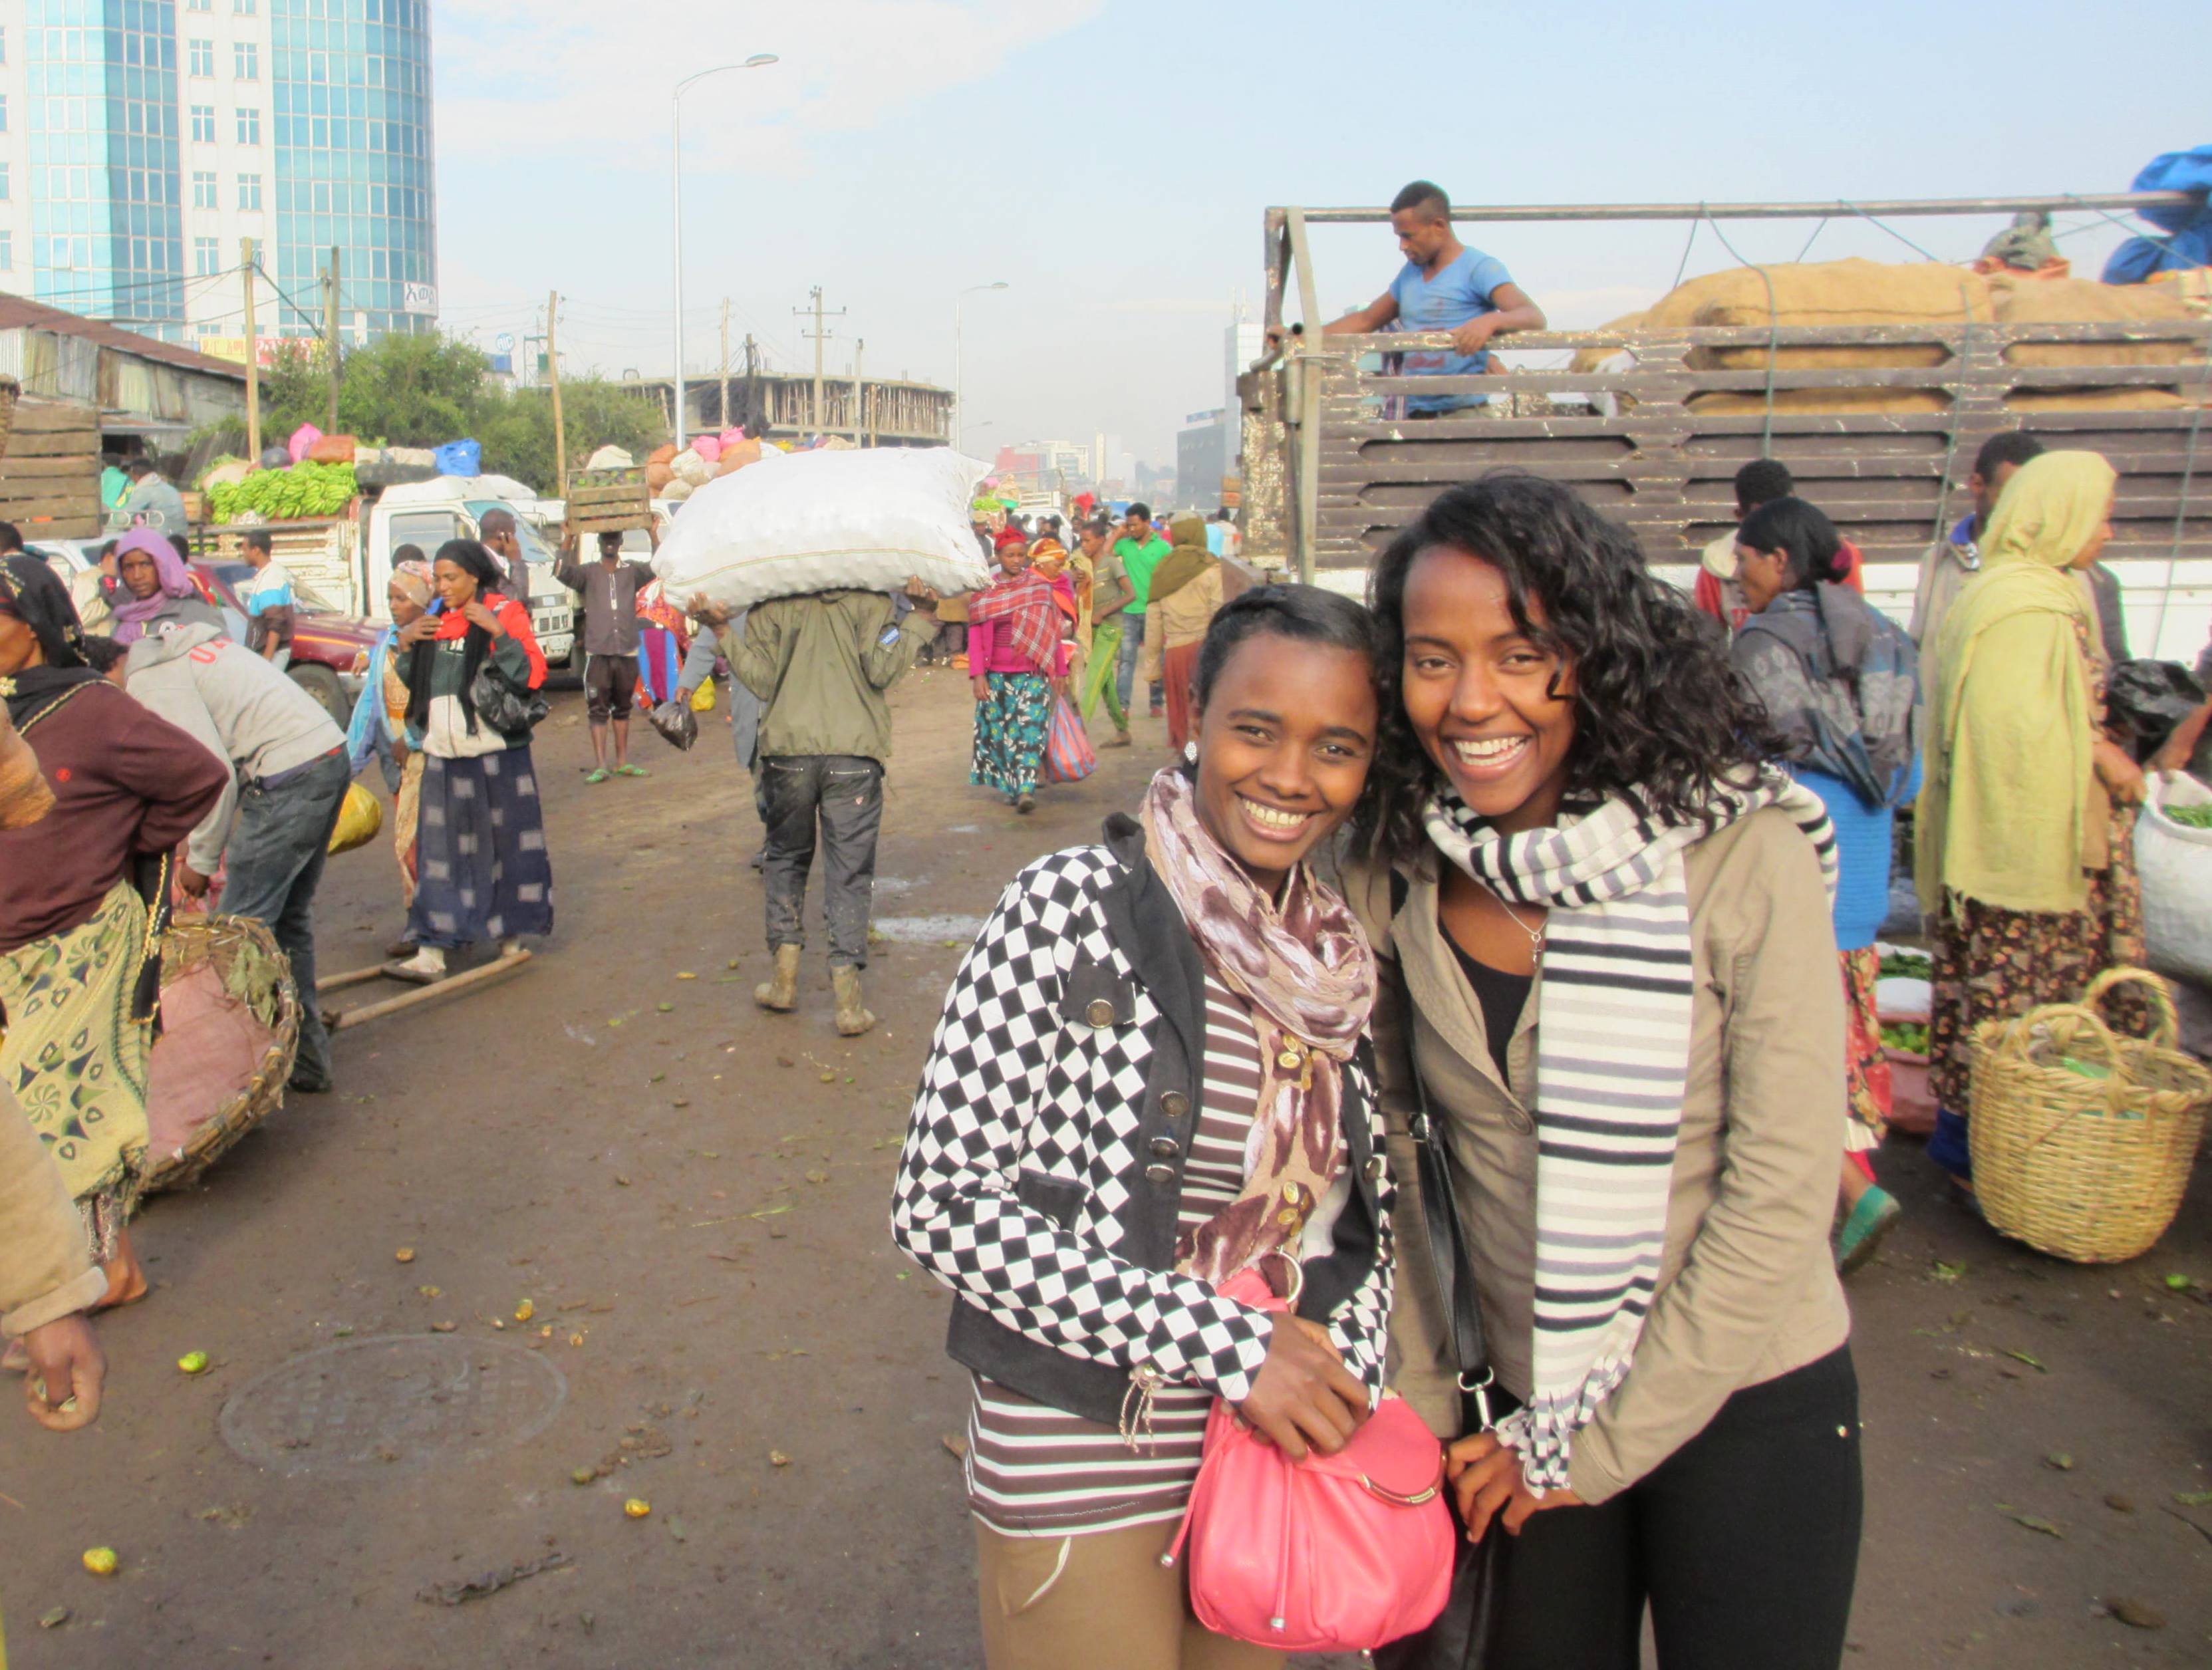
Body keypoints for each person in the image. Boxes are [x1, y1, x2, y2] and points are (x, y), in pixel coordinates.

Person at [1346, 477, 1860, 1669]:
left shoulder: (1740, 853)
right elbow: (1386, 1162)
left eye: (1522, 654)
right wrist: (1422, 1409)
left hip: (1745, 1396)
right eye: (1432, 660)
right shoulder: (1400, 862)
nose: (1472, 703)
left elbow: (1782, 1188)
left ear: (1600, 653)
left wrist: (1590, 1444)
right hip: (1510, 1405)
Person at [892, 585, 1396, 1670]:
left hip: (1269, 1455)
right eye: (1255, 730)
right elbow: (938, 1203)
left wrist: (1341, 1375)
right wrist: (1232, 1346)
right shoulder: (1070, 906)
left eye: (1335, 746)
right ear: (1193, 721)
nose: (1289, 777)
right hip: (1084, 1440)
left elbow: (1361, 1221)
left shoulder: (1342, 959)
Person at [0, 557, 229, 1316]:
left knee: (63, 1113)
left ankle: (109, 1270)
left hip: (82, 939)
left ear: (32, 626)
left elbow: (196, 775)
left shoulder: (92, 709)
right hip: (12, 948)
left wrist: (126, 846)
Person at [1915, 452, 2147, 1188]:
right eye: (2099, 514)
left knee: (1998, 1001)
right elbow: (2009, 738)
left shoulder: (2026, 592)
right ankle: (2008, 1160)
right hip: (2021, 860)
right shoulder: (2024, 607)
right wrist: (2099, 755)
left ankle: (1980, 1147)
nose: (2107, 532)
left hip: (2012, 851)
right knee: (2019, 1004)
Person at [1732, 496, 1922, 1272]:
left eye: (1743, 560)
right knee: (1844, 1037)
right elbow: (1902, 776)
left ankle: (1846, 1199)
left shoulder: (1764, 644)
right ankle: (1849, 1194)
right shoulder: (1886, 637)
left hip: (1800, 865)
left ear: (1779, 559)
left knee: (1786, 1048)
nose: (1738, 578)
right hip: (1868, 864)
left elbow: (1745, 767)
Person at [124, 619, 350, 1093]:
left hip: (289, 773)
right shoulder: (192, 651)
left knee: (236, 937)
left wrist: (201, 861)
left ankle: (228, 1085)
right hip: (324, 755)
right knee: (286, 922)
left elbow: (214, 773)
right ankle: (306, 1062)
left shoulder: (145, 681)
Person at [729, 578, 940, 1035]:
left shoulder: (770, 604)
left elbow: (762, 681)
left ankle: (784, 981)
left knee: (785, 859)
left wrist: (720, 631)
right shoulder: (872, 604)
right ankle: (848, 1002)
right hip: (854, 757)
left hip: (787, 754)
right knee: (849, 871)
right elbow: (883, 671)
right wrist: (921, 619)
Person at [386, 541, 553, 984]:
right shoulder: (434, 619)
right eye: (438, 579)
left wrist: (498, 633)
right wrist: (405, 648)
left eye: (451, 577)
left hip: (499, 755)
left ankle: (509, 939)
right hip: (443, 754)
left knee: (507, 849)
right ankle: (432, 950)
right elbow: (419, 683)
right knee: (440, 852)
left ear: (474, 577)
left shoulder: (506, 611)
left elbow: (532, 675)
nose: (442, 587)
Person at [1910, 431, 2132, 689]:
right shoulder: (1938, 562)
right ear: (1977, 485)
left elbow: (2113, 667)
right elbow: (1921, 649)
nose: (2020, 504)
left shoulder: (2089, 577)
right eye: (2011, 493)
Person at [1319, 180, 1546, 416]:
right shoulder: (1410, 275)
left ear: (1439, 226)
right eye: (1399, 237)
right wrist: (1300, 336)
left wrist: (1490, 322)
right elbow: (1366, 320)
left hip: (1465, 414)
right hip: (1417, 414)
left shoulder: (1478, 268)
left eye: (1408, 236)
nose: (1402, 246)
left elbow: (1532, 316)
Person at [346, 558, 436, 952]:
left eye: (401, 598)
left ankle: (433, 929)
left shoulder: (434, 638)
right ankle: (421, 925)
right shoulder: (387, 647)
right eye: (390, 598)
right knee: (408, 847)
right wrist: (346, 766)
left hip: (433, 762)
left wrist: (414, 739)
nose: (394, 605)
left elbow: (439, 700)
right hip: (398, 767)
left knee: (427, 846)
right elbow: (369, 711)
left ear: (421, 600)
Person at [968, 531, 1071, 815]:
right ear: (998, 557)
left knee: (1030, 731)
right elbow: (975, 635)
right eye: (1009, 555)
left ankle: (1026, 789)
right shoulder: (985, 591)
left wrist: (1059, 670)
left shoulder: (1039, 587)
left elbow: (1051, 632)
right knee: (1002, 733)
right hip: (996, 675)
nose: (1016, 561)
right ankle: (1013, 786)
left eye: (1021, 555)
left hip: (1033, 673)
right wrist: (978, 675)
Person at [1695, 460, 1864, 630]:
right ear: (1741, 517)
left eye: (1784, 515)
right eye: (1763, 522)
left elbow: (1854, 632)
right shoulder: (1718, 563)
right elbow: (1707, 646)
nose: (1776, 532)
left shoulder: (1835, 555)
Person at [555, 528, 658, 783]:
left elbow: (659, 565)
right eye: (606, 539)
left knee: (623, 708)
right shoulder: (588, 573)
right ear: (599, 542)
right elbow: (561, 571)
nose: (610, 543)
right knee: (598, 709)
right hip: (598, 651)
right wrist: (568, 538)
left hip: (626, 649)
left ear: (621, 542)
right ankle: (601, 765)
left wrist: (652, 533)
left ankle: (622, 762)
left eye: (614, 539)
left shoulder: (632, 571)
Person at [1136, 514, 1226, 755]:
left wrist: (1153, 668)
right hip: (1206, 651)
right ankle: (1205, 764)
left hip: (1175, 652)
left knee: (1182, 713)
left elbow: (1153, 624)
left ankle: (1188, 762)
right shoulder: (1211, 567)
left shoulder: (1163, 570)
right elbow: (1220, 614)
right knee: (1206, 712)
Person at [102, 528, 225, 646]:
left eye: (145, 564)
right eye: (128, 567)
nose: (137, 576)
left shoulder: (197, 613)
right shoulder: (123, 614)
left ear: (161, 566)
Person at [1073, 515, 1134, 745]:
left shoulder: (1111, 563)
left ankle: (1076, 733)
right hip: (1091, 630)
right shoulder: (1083, 566)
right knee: (1106, 682)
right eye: (1082, 541)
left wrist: (1104, 612)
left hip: (1110, 628)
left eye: (1088, 541)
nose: (1084, 545)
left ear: (1100, 540)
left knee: (1093, 677)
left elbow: (1131, 595)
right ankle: (1122, 730)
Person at [1113, 503, 1172, 718]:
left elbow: (1170, 576)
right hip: (1128, 610)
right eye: (1128, 526)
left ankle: (1156, 702)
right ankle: (1123, 705)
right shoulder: (1125, 545)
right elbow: (1104, 553)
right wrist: (1118, 533)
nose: (1131, 529)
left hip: (1154, 610)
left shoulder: (1163, 548)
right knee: (1126, 660)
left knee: (1155, 658)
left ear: (1148, 523)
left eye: (1135, 525)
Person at [239, 529, 296, 668]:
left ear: (256, 550)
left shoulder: (271, 579)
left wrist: (267, 659)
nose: (243, 554)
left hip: (272, 655)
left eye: (245, 549)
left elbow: (276, 622)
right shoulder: (268, 576)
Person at [108, 456, 188, 536]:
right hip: (180, 538)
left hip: (161, 539)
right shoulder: (169, 488)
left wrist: (108, 525)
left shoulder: (145, 489)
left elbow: (123, 519)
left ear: (135, 475)